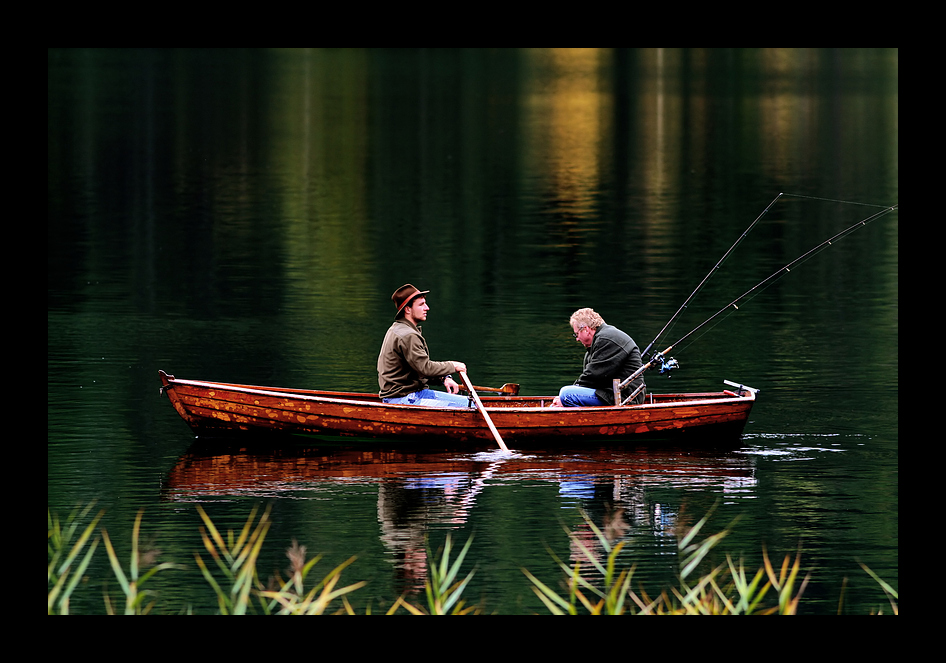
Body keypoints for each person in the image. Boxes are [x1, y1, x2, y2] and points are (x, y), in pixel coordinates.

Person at [377, 284, 472, 407]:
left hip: (415, 393)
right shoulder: (408, 335)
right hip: (403, 399)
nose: (427, 308)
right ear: (407, 309)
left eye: (425, 304)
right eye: (421, 305)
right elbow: (425, 368)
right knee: (469, 407)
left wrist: (443, 379)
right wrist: (453, 366)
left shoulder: (399, 329)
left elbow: (418, 370)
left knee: (470, 403)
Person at [551, 308, 644, 407]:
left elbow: (594, 376)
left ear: (586, 329)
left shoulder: (606, 339)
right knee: (563, 398)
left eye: (577, 334)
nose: (577, 339)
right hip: (609, 393)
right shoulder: (597, 344)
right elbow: (591, 379)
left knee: (566, 394)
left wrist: (565, 398)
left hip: (626, 397)